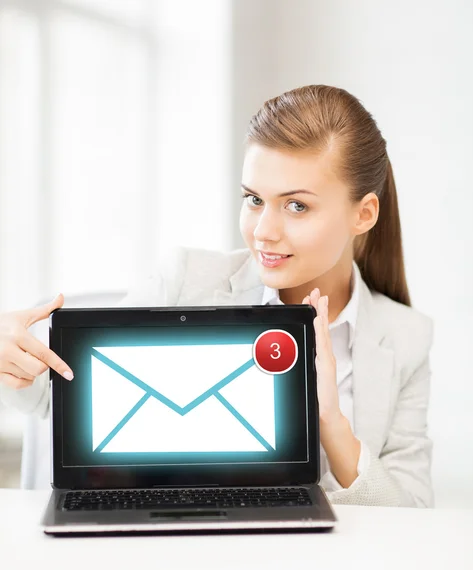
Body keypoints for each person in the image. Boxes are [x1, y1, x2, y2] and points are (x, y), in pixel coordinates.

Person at [0, 84, 434, 507]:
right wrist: (9, 353)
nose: (264, 231)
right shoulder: (185, 280)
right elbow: (54, 397)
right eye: (253, 199)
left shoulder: (406, 337)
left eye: (297, 205)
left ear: (364, 213)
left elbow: (412, 512)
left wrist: (331, 423)